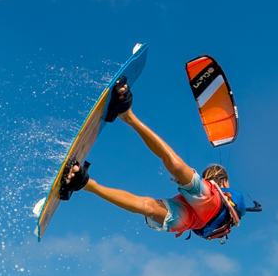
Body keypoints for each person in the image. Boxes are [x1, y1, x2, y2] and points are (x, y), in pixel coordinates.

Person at [59, 77, 256, 240]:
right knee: (177, 170)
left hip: (195, 219)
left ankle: (84, 182)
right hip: (208, 205)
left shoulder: (227, 197)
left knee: (148, 207)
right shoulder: (217, 194)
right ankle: (126, 117)